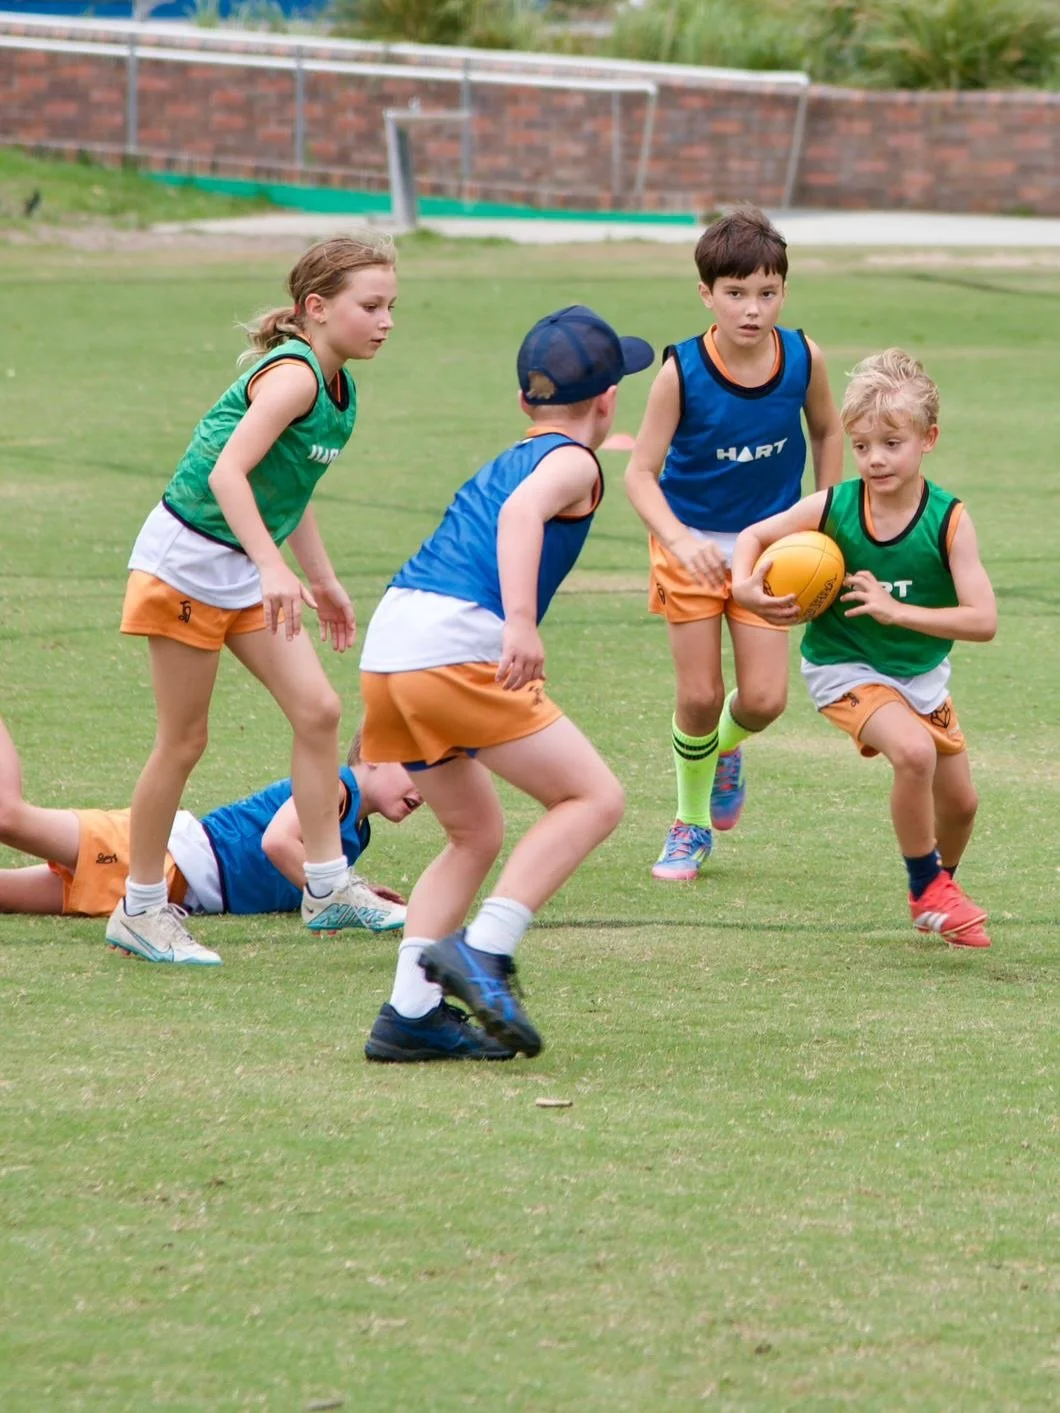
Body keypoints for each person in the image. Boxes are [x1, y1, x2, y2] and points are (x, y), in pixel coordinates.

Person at [357, 305, 654, 1063]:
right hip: (458, 641)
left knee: (473, 833)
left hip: (393, 642)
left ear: (524, 401)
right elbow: (522, 517)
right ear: (608, 400)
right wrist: (520, 622)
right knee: (593, 798)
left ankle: (410, 1013)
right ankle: (487, 949)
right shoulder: (575, 461)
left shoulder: (510, 454)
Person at [105, 232, 398, 966]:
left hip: (242, 562)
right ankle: (140, 908)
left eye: (392, 305)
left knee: (319, 711)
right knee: (184, 740)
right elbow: (229, 475)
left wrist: (320, 575)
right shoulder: (294, 377)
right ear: (317, 308)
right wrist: (272, 567)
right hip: (189, 563)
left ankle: (327, 887)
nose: (385, 319)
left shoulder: (341, 387)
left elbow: (287, 489)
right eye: (370, 305)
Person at [730, 349, 997, 947]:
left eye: (891, 443)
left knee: (961, 805)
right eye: (861, 444)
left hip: (920, 677)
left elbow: (983, 621)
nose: (874, 458)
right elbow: (754, 535)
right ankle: (927, 886)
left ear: (928, 439)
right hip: (843, 668)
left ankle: (937, 891)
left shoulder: (949, 520)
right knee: (913, 755)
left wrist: (897, 609)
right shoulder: (834, 508)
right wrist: (745, 585)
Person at [624, 206, 844, 882]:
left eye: (767, 292)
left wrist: (824, 515)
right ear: (707, 294)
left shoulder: (804, 356)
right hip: (689, 542)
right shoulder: (680, 372)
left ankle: (723, 750)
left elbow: (829, 432)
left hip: (772, 548)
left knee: (765, 699)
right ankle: (689, 825)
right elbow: (639, 471)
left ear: (784, 290)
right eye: (736, 293)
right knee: (698, 694)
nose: (753, 309)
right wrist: (676, 538)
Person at [0, 717, 417, 944]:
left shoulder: (357, 833)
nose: (426, 789)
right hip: (165, 853)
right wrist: (334, 893)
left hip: (173, 894)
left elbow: (285, 875)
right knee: (9, 816)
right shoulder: (332, 784)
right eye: (416, 767)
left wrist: (352, 888)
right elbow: (277, 842)